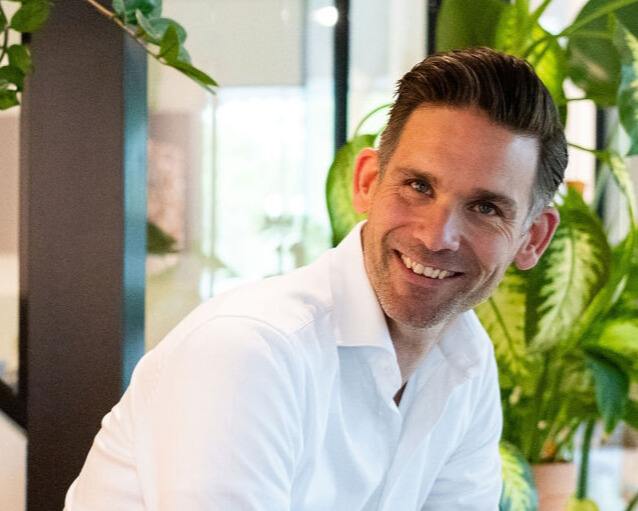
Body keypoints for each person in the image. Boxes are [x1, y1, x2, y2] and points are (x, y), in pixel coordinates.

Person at [64, 47, 567, 510]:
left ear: (533, 238)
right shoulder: (250, 349)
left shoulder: (467, 361)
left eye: (485, 208)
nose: (437, 236)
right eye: (418, 186)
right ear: (366, 182)